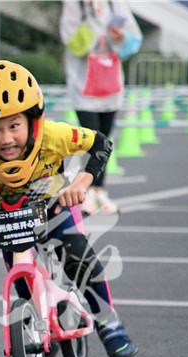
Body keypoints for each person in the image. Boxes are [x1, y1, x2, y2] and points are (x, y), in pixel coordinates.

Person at [0, 60, 137, 357]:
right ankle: (38, 320)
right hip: (10, 218)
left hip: (55, 207)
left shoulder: (54, 135)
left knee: (77, 256)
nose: (6, 139)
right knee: (21, 280)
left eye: (14, 126)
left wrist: (81, 184)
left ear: (33, 121)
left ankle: (108, 323)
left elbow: (100, 143)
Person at [60, 0, 142, 215]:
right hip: (83, 88)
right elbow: (75, 45)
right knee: (90, 141)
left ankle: (99, 190)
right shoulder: (75, 5)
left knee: (105, 140)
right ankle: (85, 190)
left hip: (110, 87)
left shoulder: (115, 4)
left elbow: (133, 42)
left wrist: (119, 37)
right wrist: (92, 20)